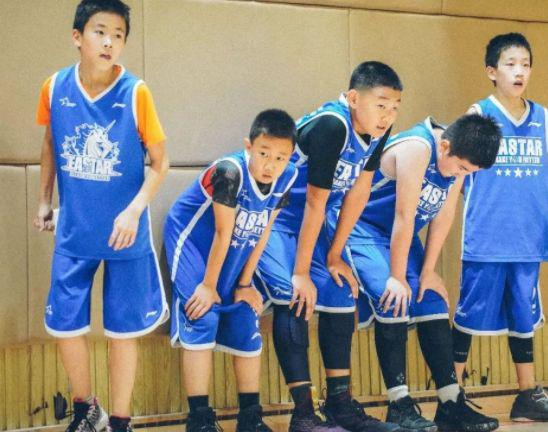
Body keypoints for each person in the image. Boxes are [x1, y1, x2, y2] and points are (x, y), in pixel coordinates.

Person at [34, 1, 169, 431]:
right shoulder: (55, 87)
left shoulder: (136, 92)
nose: (109, 41)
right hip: (75, 231)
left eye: (118, 34)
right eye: (100, 31)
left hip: (124, 235)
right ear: (77, 36)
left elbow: (161, 163)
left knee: (122, 333)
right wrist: (44, 199)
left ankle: (121, 423)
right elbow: (50, 142)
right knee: (64, 326)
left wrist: (133, 211)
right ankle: (87, 410)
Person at [327, 115, 501, 431]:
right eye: (462, 168)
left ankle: (450, 403)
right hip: (362, 229)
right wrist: (397, 277)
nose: (463, 174)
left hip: (399, 236)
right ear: (444, 147)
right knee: (393, 297)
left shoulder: (457, 157)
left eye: (469, 172)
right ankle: (399, 404)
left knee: (432, 300)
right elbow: (404, 216)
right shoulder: (417, 148)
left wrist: (429, 270)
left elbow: (444, 214)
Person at [254, 61, 402, 432]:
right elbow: (314, 200)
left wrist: (335, 255)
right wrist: (302, 272)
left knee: (340, 293)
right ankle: (303, 413)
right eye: (381, 105)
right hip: (276, 218)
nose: (388, 115)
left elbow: (360, 191)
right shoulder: (333, 126)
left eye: (395, 107)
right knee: (295, 294)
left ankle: (339, 404)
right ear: (353, 98)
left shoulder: (377, 129)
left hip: (314, 222)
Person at [164, 109, 298, 432]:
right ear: (248, 147)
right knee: (202, 314)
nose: (271, 165)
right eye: (264, 154)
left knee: (244, 314)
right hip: (193, 241)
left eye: (280, 158)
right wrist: (208, 286)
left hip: (232, 248)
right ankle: (199, 419)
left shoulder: (288, 177)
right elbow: (222, 232)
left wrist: (245, 283)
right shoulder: (229, 172)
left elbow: (264, 229)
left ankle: (250, 418)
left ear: (290, 157)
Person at [452, 32, 548, 422]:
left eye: (525, 64)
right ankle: (451, 397)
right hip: (487, 239)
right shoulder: (479, 115)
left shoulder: (543, 119)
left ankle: (527, 396)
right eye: (510, 64)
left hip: (528, 240)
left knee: (524, 318)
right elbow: (458, 176)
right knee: (468, 316)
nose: (519, 71)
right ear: (492, 71)